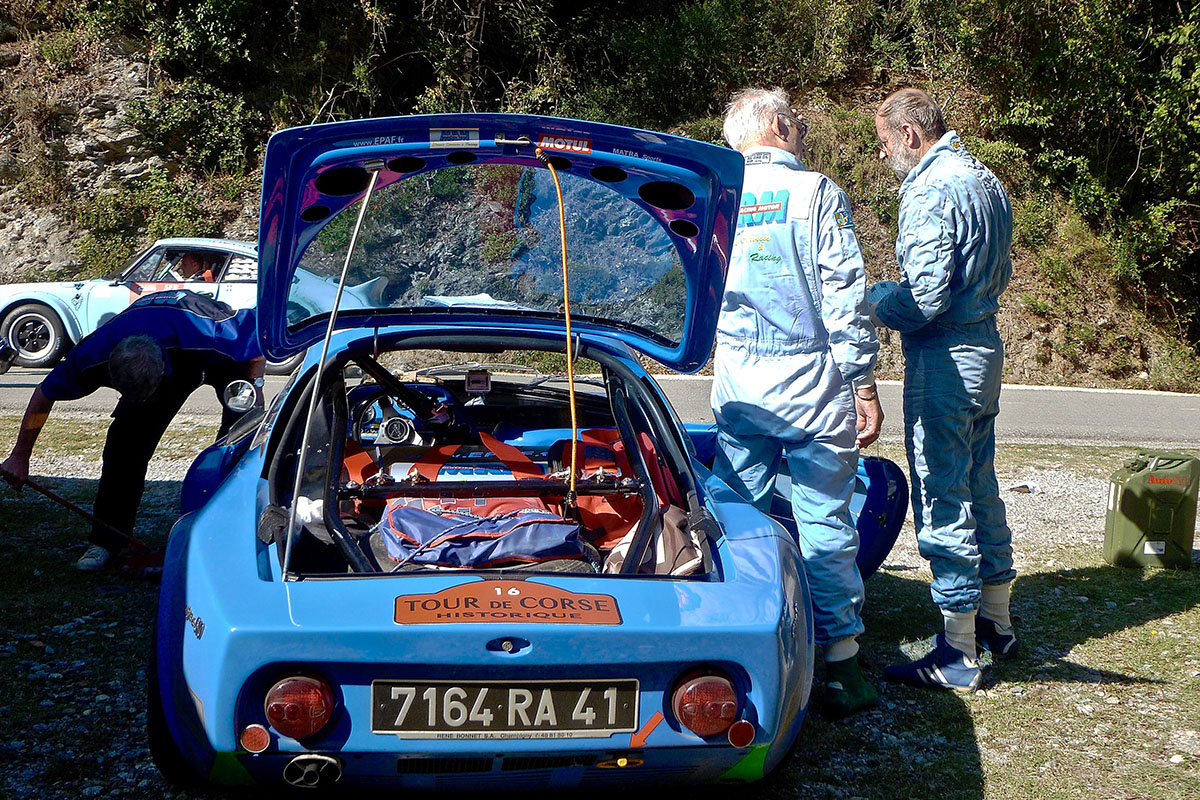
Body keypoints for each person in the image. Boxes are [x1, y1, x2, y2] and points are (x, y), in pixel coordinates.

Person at [712, 88, 884, 718]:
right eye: (799, 121)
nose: (803, 130)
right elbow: (843, 293)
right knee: (824, 523)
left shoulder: (714, 194)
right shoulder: (815, 194)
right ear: (780, 126)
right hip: (809, 379)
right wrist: (862, 381)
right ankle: (839, 666)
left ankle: (738, 637)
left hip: (737, 383)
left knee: (733, 512)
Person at [870, 88, 1017, 692]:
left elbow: (925, 299)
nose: (883, 157)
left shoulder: (930, 188)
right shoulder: (984, 177)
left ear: (909, 134)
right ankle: (996, 622)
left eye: (884, 142)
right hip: (984, 345)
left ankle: (957, 653)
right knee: (981, 483)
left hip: (945, 360)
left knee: (943, 493)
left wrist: (879, 300)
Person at [0, 290, 264, 571]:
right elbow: (43, 394)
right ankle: (108, 541)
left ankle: (228, 529)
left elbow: (260, 338)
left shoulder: (214, 332)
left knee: (238, 437)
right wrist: (20, 455)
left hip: (214, 355)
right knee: (124, 447)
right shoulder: (92, 353)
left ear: (163, 369)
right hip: (153, 344)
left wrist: (255, 387)